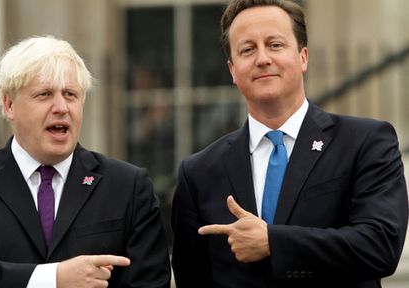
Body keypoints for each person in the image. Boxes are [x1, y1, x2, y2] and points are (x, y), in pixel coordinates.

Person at [171, 0, 408, 287]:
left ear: (303, 57)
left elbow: (380, 246)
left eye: (275, 45)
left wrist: (273, 242)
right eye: (247, 50)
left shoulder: (365, 143)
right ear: (233, 70)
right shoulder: (199, 172)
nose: (262, 59)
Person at [0, 35, 171, 288]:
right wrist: (53, 279)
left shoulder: (127, 186)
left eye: (70, 94)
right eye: (45, 94)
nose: (61, 106)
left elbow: (151, 282)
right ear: (9, 105)